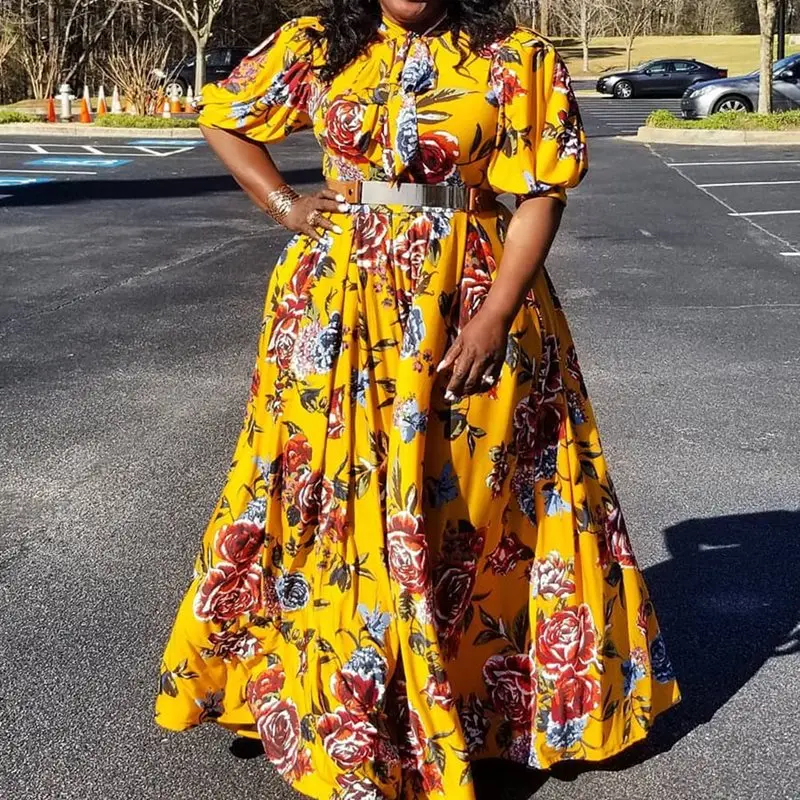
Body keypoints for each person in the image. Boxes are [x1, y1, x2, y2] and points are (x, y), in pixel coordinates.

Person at [154, 1, 681, 797]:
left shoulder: (515, 55)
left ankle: (481, 710)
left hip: (469, 301)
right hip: (335, 310)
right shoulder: (317, 43)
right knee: (323, 497)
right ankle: (347, 709)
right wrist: (284, 204)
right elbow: (223, 114)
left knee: (473, 506)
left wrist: (495, 317)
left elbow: (542, 191)